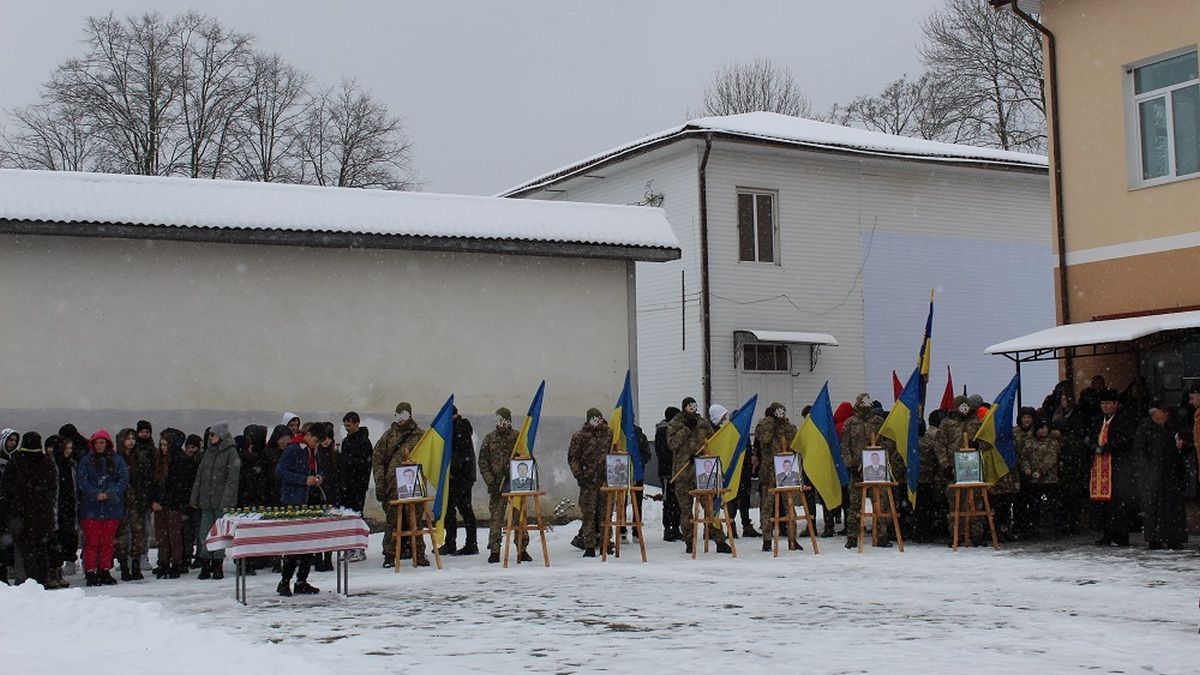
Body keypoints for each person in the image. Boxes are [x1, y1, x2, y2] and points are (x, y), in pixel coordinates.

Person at [668, 397, 729, 554]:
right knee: (687, 510)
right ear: (684, 407)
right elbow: (672, 444)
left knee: (710, 508)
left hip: (703, 472)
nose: (692, 409)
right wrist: (686, 429)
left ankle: (719, 539)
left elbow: (711, 441)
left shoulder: (702, 423)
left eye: (694, 406)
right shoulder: (676, 423)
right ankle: (689, 541)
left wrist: (705, 454)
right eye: (689, 406)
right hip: (683, 473)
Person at [0, 433, 60, 588]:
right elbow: (53, 489)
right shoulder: (47, 462)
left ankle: (30, 583)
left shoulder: (16, 462)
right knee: (41, 551)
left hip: (21, 516)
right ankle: (42, 580)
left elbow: (6, 491)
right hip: (43, 516)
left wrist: (8, 512)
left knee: (27, 553)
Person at [275, 423, 327, 596]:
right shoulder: (294, 449)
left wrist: (318, 478)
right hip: (294, 500)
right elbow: (280, 472)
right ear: (309, 434)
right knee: (294, 543)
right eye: (316, 440)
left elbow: (318, 469)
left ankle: (302, 580)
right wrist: (303, 479)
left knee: (309, 542)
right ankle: (285, 580)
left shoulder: (313, 451)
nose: (317, 445)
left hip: (310, 499)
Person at [372, 402, 426, 567]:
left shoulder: (420, 436)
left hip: (414, 487)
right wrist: (380, 484)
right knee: (392, 522)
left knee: (415, 520)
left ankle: (419, 553)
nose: (401, 420)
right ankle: (389, 555)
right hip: (393, 487)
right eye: (398, 416)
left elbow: (428, 457)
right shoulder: (388, 436)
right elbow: (378, 460)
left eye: (404, 416)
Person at [842, 393, 898, 549]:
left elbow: (889, 442)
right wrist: (850, 464)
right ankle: (852, 536)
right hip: (857, 470)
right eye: (864, 402)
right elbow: (845, 446)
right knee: (854, 505)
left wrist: (881, 454)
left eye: (869, 403)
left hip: (876, 470)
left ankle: (881, 535)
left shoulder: (878, 422)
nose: (866, 405)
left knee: (880, 503)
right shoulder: (850, 423)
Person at [77, 429, 129, 586]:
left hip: (111, 509)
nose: (99, 446)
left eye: (102, 443)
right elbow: (82, 481)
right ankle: (91, 570)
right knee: (92, 542)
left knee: (107, 542)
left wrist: (110, 493)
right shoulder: (86, 461)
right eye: (97, 443)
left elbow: (123, 479)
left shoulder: (117, 460)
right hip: (90, 509)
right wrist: (95, 493)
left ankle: (104, 569)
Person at [1087, 389, 1138, 547]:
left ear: (1116, 404)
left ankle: (1121, 535)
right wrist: (1095, 447)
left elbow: (1126, 439)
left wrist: (1109, 447)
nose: (1105, 406)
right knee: (1103, 504)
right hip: (1100, 465)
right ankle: (1107, 533)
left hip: (1117, 466)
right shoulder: (1097, 420)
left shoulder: (1124, 420)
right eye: (1103, 403)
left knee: (1118, 503)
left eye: (1108, 403)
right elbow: (1088, 438)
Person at [190, 422, 241, 579]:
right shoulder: (208, 453)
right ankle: (205, 563)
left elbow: (232, 480)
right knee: (205, 532)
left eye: (213, 434)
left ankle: (217, 564)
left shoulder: (231, 453)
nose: (210, 437)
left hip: (221, 501)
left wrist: (226, 501)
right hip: (207, 500)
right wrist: (195, 496)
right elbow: (200, 477)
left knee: (220, 534)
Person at [1137, 402, 1188, 550]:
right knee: (1154, 510)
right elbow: (1139, 453)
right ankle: (1155, 539)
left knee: (1172, 509)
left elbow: (1181, 449)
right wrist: (1149, 471)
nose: (1167, 414)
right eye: (1163, 411)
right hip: (1153, 477)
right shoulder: (1145, 429)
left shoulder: (1171, 428)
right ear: (1155, 413)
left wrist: (1181, 448)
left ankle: (1173, 538)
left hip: (1171, 475)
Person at [478, 407, 525, 564]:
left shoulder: (518, 438)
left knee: (519, 517)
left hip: (516, 485)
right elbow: (483, 462)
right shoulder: (489, 439)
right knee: (496, 518)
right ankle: (495, 549)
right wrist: (491, 482)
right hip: (497, 486)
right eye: (498, 421)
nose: (501, 425)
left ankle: (522, 548)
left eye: (504, 421)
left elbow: (526, 457)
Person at [755, 402, 798, 552]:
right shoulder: (764, 425)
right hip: (769, 471)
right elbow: (764, 439)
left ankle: (793, 538)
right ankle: (767, 539)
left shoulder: (788, 427)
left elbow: (795, 442)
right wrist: (770, 421)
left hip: (786, 470)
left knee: (790, 504)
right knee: (767, 507)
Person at [568, 408, 609, 558]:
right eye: (593, 419)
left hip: (605, 482)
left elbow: (615, 453)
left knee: (605, 514)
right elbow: (573, 457)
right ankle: (590, 544)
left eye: (598, 418)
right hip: (588, 483)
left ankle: (606, 543)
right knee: (588, 515)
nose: (596, 422)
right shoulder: (579, 437)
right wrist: (579, 475)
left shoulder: (608, 435)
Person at [150, 431, 191, 578]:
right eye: (161, 445)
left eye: (165, 445)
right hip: (160, 503)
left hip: (173, 504)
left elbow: (178, 486)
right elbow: (155, 483)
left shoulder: (179, 460)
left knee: (174, 536)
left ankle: (176, 563)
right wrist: (154, 500)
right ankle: (163, 561)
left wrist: (164, 502)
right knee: (161, 535)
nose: (163, 448)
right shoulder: (160, 460)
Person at [113, 427, 151, 581]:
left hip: (137, 500)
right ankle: (123, 566)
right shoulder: (115, 459)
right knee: (121, 535)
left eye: (133, 439)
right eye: (128, 439)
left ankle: (136, 565)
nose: (131, 442)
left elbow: (147, 480)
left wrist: (145, 497)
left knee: (138, 534)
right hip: (120, 501)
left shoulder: (140, 458)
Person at [440, 407, 479, 556]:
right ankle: (471, 543)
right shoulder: (459, 427)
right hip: (464, 476)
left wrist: (451, 468)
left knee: (450, 509)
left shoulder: (459, 428)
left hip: (459, 476)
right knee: (465, 509)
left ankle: (452, 543)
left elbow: (460, 454)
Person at [1018, 417, 1062, 538]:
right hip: (1034, 480)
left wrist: (1040, 471)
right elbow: (1024, 457)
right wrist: (1026, 468)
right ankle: (1033, 528)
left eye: (1045, 428)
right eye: (1041, 428)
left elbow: (1051, 459)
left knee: (1054, 505)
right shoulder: (1029, 442)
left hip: (1050, 480)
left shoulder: (1053, 442)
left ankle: (1057, 529)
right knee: (1034, 505)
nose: (1043, 431)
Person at [339, 412, 372, 562]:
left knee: (357, 516)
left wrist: (349, 463)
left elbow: (365, 464)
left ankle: (360, 548)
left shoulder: (364, 442)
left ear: (357, 423)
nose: (347, 428)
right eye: (345, 425)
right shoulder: (346, 442)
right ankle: (350, 547)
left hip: (358, 484)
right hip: (346, 484)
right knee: (348, 516)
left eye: (349, 425)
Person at [47, 434, 79, 585]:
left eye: (71, 449)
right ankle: (51, 572)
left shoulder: (71, 464)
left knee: (65, 539)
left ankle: (58, 570)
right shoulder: (51, 464)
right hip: (55, 506)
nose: (69, 451)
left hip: (68, 506)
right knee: (54, 540)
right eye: (67, 449)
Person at [655, 407, 683, 542]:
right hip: (667, 472)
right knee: (668, 500)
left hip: (678, 470)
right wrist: (673, 461)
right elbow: (662, 452)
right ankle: (668, 529)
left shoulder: (676, 429)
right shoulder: (662, 431)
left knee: (678, 500)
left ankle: (676, 528)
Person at [178, 435, 203, 570]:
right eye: (188, 447)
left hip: (198, 502)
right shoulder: (183, 461)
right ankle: (187, 555)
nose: (190, 450)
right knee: (187, 531)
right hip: (186, 501)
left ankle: (199, 556)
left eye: (193, 447)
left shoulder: (200, 462)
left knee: (198, 531)